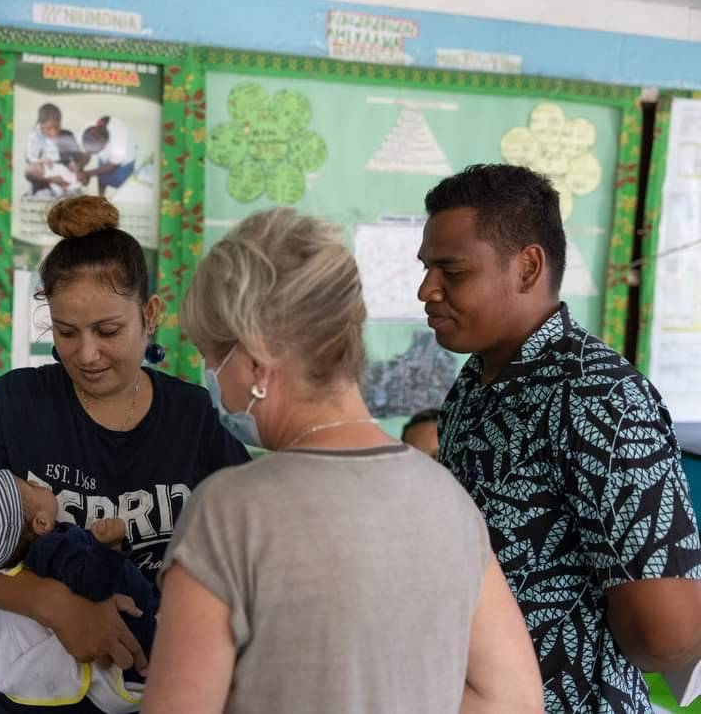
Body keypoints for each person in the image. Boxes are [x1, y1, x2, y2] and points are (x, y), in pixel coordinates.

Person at [140, 207, 543, 714]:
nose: (212, 377)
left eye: (213, 357)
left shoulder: (229, 511)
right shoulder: (446, 498)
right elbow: (513, 699)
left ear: (256, 358)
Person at [0, 195, 250, 714]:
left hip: (160, 686)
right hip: (26, 695)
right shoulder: (19, 403)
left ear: (150, 315)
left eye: (108, 331)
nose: (87, 354)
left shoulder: (192, 417)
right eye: (65, 332)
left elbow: (245, 542)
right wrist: (56, 606)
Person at [420, 164, 701, 713]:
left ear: (527, 266)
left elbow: (669, 632)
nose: (426, 289)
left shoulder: (598, 396)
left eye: (450, 271)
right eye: (427, 268)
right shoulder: (477, 384)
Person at [0, 470, 157, 711]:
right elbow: (93, 586)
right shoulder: (55, 546)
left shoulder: (26, 558)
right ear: (41, 523)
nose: (36, 482)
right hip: (129, 651)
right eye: (32, 487)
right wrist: (109, 548)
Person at [24, 103, 80, 196]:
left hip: (65, 176)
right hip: (45, 181)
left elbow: (75, 156)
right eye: (48, 128)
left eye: (57, 127)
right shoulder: (35, 137)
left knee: (74, 193)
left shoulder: (67, 135)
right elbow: (30, 158)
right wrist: (42, 162)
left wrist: (73, 163)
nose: (53, 132)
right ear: (40, 125)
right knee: (44, 195)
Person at [79, 117, 136, 197]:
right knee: (102, 178)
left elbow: (112, 165)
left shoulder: (119, 137)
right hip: (109, 156)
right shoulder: (89, 129)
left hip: (125, 162)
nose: (92, 153)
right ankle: (101, 196)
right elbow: (87, 153)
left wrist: (88, 174)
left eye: (95, 151)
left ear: (106, 145)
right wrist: (79, 168)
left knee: (121, 186)